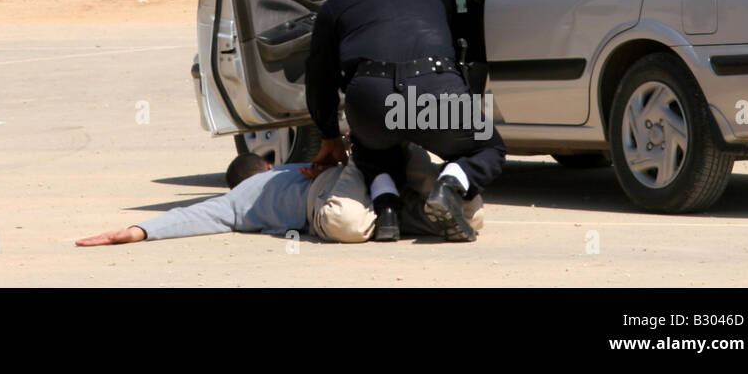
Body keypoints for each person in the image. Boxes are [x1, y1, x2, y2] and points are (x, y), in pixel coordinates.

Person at [305, 0, 507, 243]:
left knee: (371, 147)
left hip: (373, 96)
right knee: (489, 148)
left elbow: (319, 76)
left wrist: (329, 136)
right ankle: (450, 186)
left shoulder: (337, 4)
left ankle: (387, 212)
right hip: (436, 88)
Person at [75, 143, 483, 246]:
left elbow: (189, 216)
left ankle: (371, 157)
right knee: (464, 215)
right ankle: (448, 193)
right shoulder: (264, 182)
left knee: (350, 226)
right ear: (266, 167)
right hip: (343, 188)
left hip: (335, 200)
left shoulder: (236, 202)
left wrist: (137, 230)